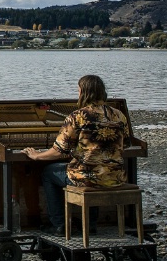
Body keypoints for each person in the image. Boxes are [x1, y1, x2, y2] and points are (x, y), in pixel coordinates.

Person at [23, 75, 129, 235]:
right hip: (115, 176)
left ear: (83, 93)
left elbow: (58, 151)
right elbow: (125, 144)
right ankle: (91, 224)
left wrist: (37, 155)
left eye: (79, 90)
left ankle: (59, 224)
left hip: (87, 177)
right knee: (97, 171)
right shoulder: (119, 115)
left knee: (48, 172)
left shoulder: (78, 116)